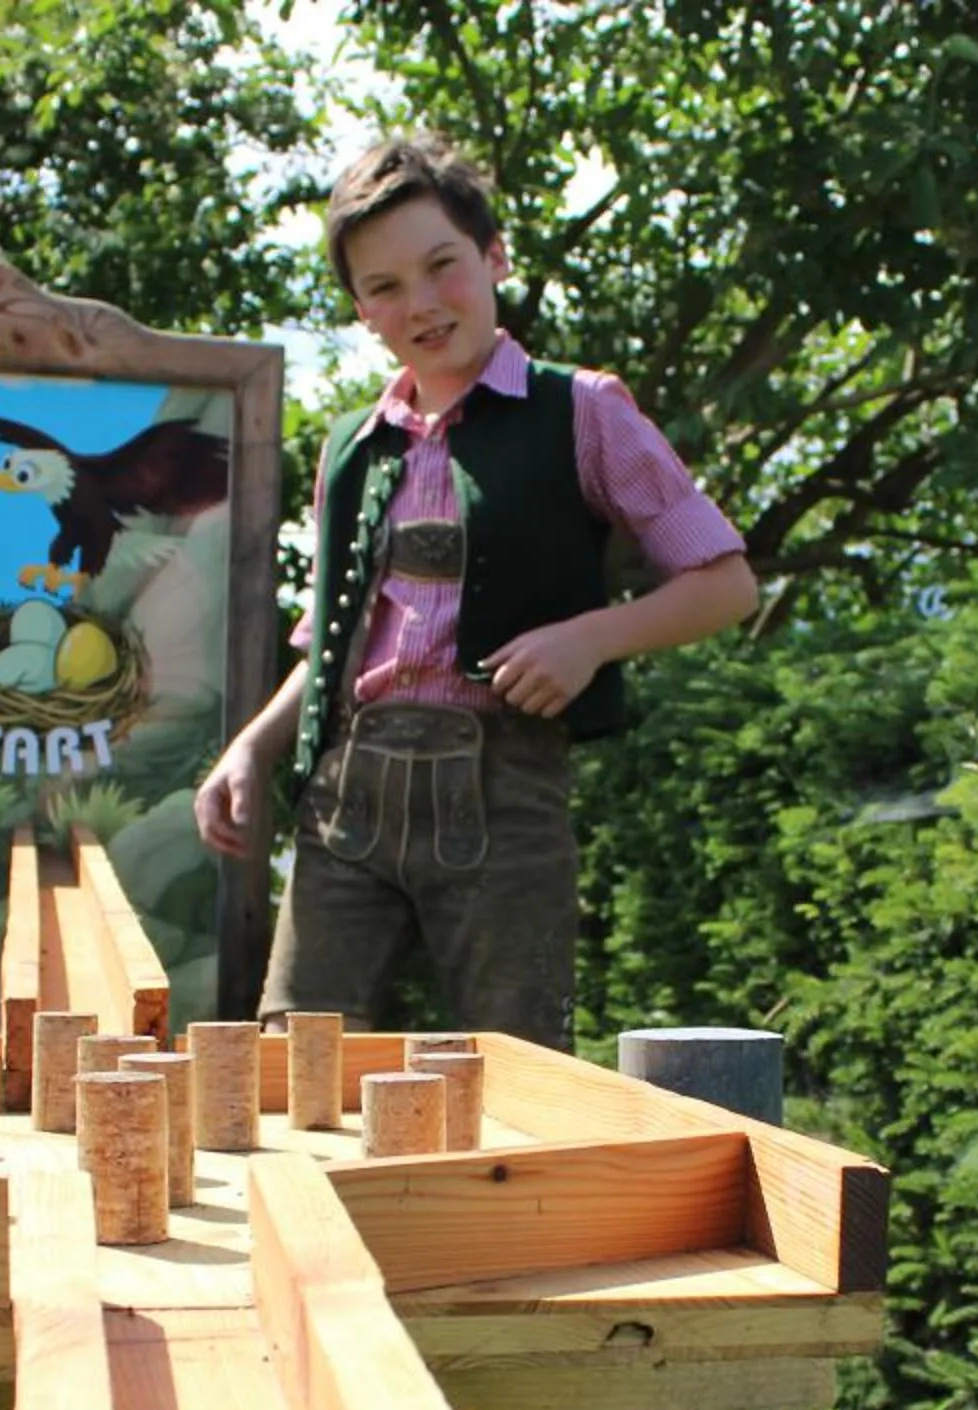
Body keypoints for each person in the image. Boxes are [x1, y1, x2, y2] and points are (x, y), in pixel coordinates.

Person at [192, 132, 759, 1054]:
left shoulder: (582, 411)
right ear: (360, 311)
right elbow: (334, 649)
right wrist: (253, 750)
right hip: (348, 802)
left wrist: (589, 640)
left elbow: (726, 582)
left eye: (441, 266)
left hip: (505, 792)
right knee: (292, 1062)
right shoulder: (351, 447)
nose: (419, 303)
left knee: (519, 1070)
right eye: (384, 288)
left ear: (493, 257)